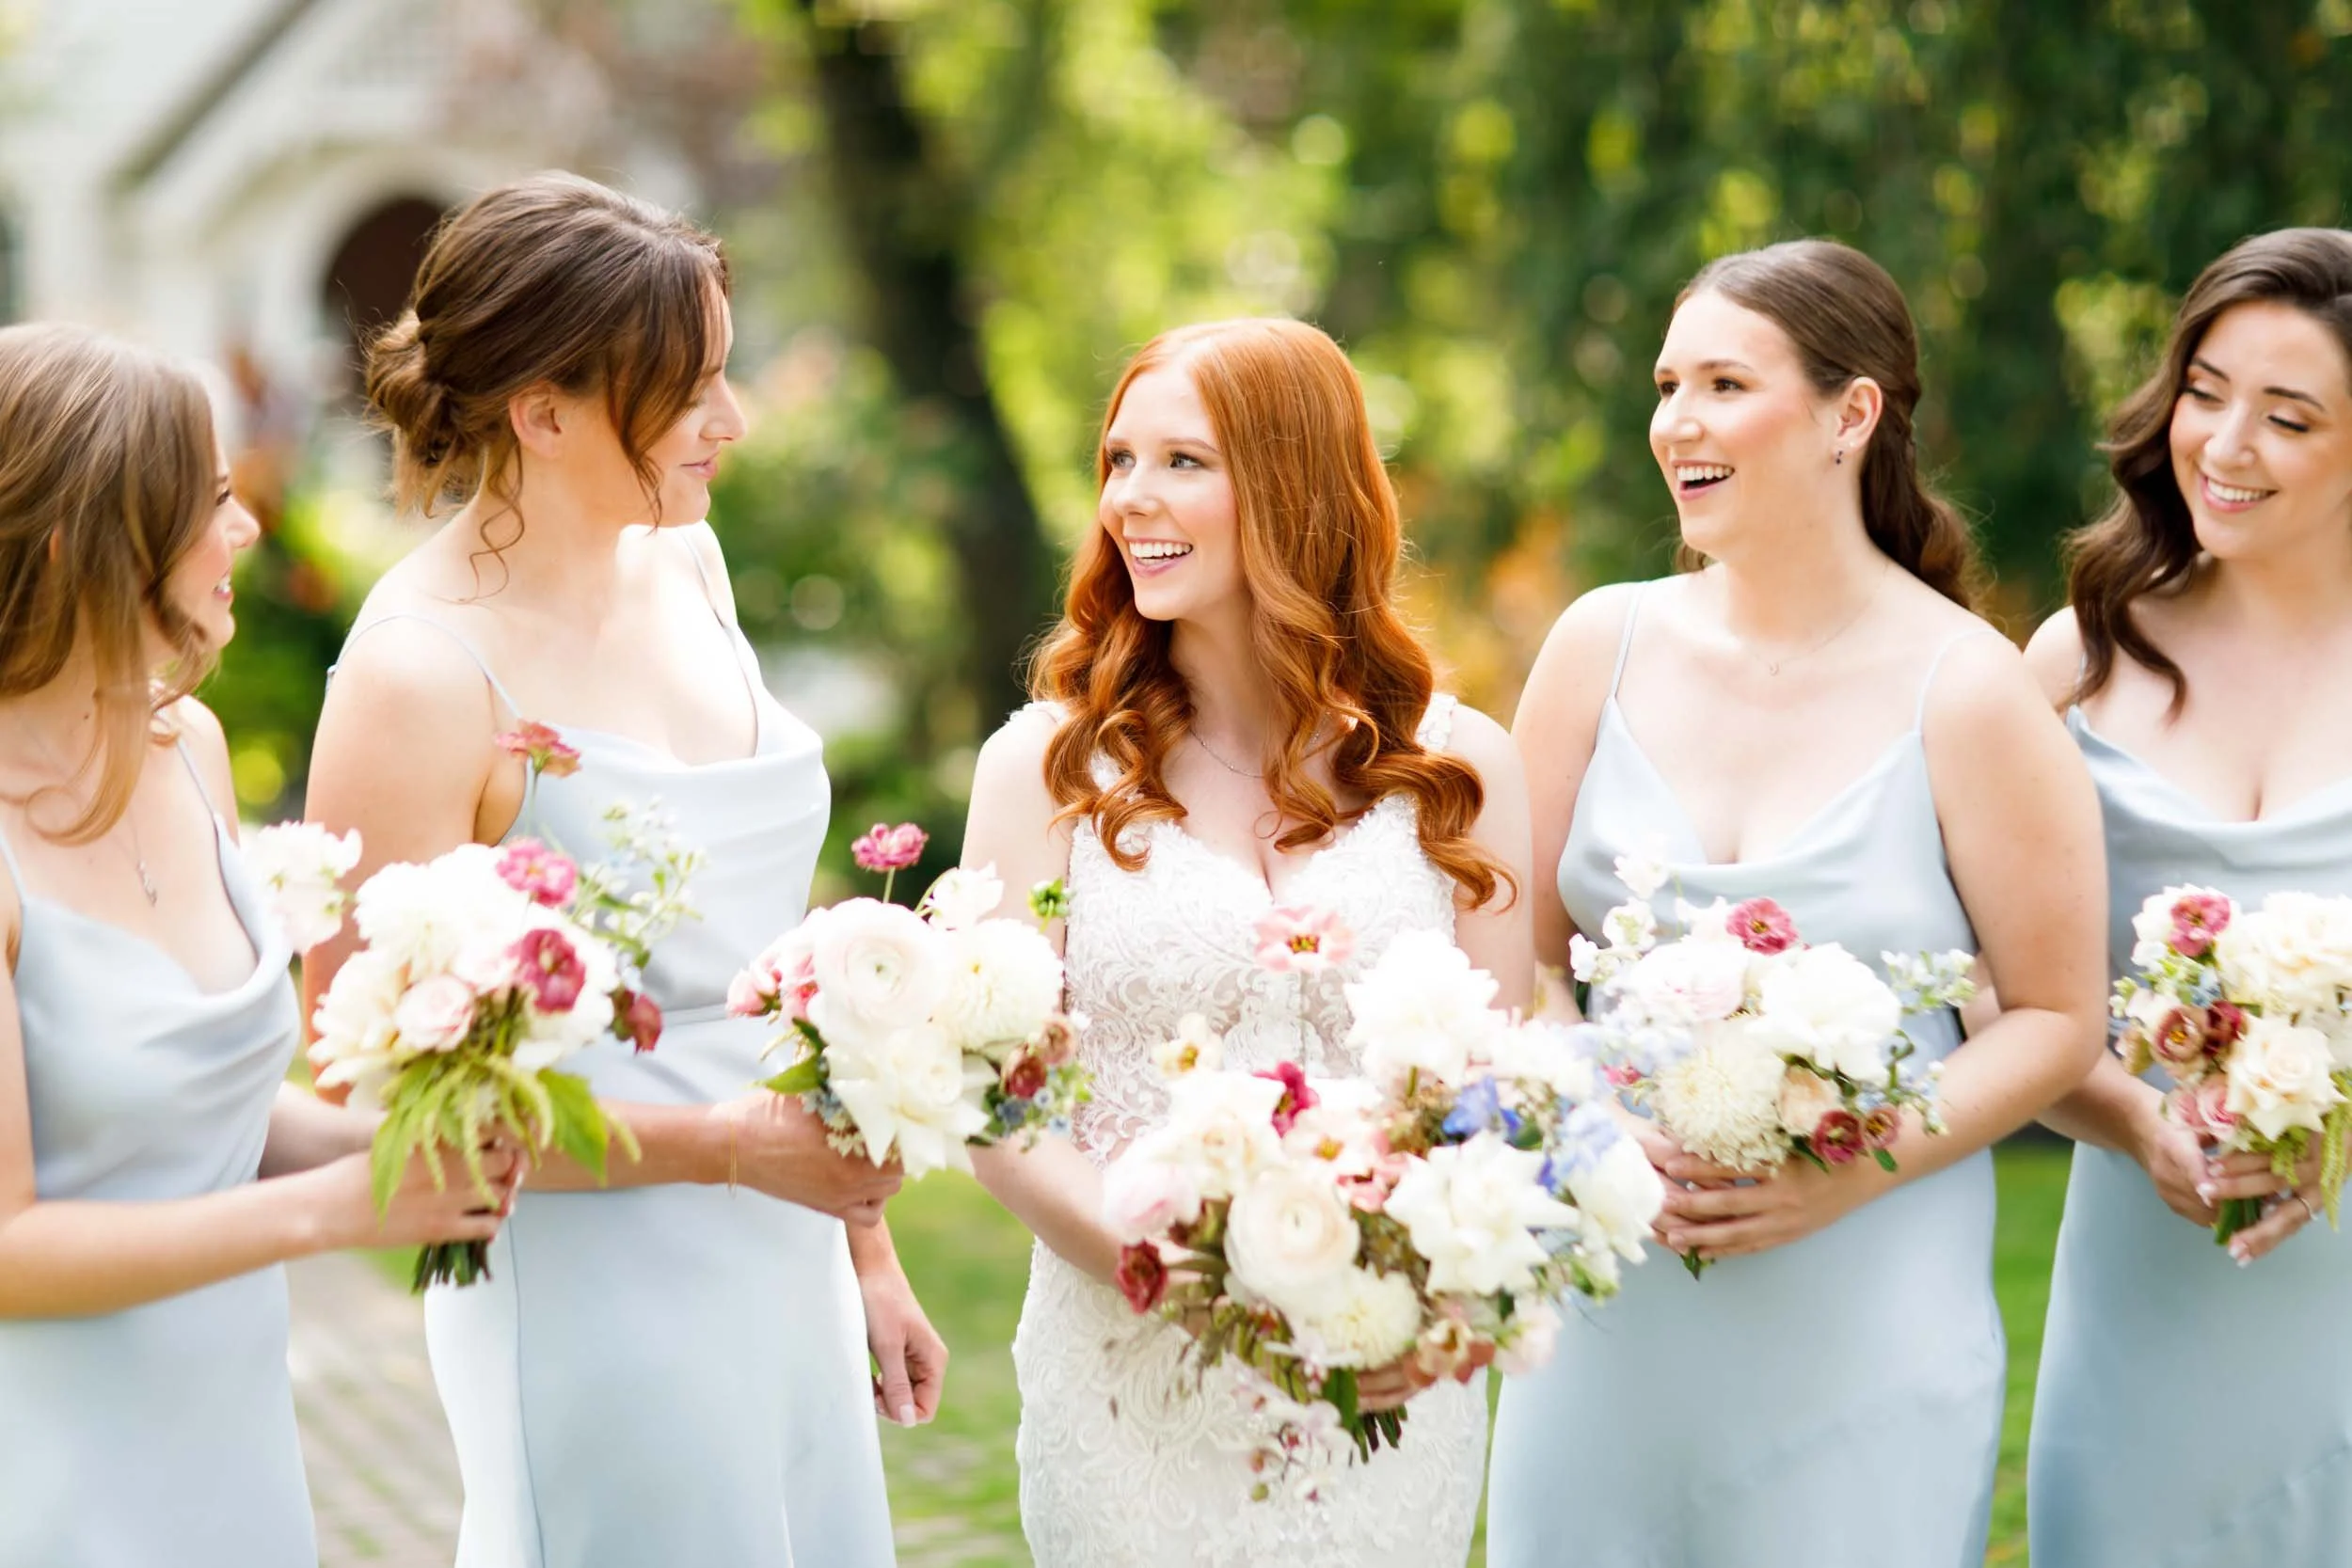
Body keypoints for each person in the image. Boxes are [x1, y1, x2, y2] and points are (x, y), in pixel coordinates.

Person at [304, 172, 931, 1568]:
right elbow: (363, 1087)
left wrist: (865, 1252)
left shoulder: (690, 565)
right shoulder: (419, 674)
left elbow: (763, 955)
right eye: (694, 384)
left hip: (789, 1234)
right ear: (545, 412)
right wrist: (725, 1152)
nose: (735, 417)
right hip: (593, 1268)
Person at [1487, 239, 2106, 1567]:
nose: (1677, 423)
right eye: (1667, 384)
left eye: (1723, 382)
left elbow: (2057, 1015)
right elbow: (1520, 962)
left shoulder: (1971, 688)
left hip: (1868, 1311)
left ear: (1852, 412)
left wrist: (1851, 1166)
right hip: (1608, 1295)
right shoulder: (1601, 641)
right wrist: (1584, 1112)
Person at [960, 316, 1535, 1566]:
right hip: (1133, 1369)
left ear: (1291, 481)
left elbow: (1505, 1085)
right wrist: (1169, 1263)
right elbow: (992, 1099)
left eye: (1183, 461)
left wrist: (1432, 1303)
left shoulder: (1457, 766)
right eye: (1119, 459)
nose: (1131, 499)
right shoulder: (1046, 767)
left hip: (1385, 1369)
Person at [0, 321, 515, 1567]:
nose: (246, 534)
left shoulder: (194, 755)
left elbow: (202, 1110)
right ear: (87, 545)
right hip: (49, 1467)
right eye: (212, 505)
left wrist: (423, 1142)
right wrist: (341, 1208)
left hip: (228, 1445)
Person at [2026, 228, 2352, 1567]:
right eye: (2205, 390)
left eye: (2288, 416)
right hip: (2140, 1311)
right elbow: (1997, 996)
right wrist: (2134, 1114)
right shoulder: (2077, 663)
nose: (2223, 444)